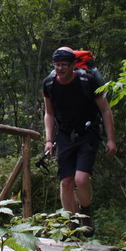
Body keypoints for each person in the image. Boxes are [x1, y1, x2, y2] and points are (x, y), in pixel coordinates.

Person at [43, 47, 117, 237]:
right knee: (66, 182)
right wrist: (49, 140)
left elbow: (105, 110)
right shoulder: (50, 84)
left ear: (73, 65)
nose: (60, 68)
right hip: (65, 135)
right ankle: (72, 224)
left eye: (64, 65)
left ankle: (85, 212)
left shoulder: (87, 81)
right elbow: (49, 113)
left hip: (87, 133)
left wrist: (111, 139)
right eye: (57, 65)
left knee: (81, 179)